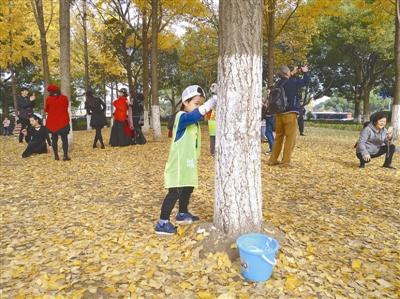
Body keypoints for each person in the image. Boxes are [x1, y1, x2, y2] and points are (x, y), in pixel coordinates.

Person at [155, 85, 217, 235]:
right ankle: (162, 222)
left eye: (200, 104)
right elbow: (194, 116)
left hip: (188, 163)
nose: (198, 107)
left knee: (188, 186)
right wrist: (211, 102)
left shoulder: (193, 121)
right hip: (178, 164)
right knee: (174, 192)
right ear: (185, 102)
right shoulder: (181, 117)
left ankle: (182, 213)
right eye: (196, 104)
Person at [267, 65, 310, 166]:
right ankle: (286, 161)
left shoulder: (278, 83)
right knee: (290, 138)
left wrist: (293, 72)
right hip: (290, 113)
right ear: (287, 73)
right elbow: (305, 82)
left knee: (278, 138)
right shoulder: (293, 82)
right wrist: (305, 72)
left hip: (278, 114)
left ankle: (272, 159)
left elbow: (287, 79)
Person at [45, 84, 71, 161]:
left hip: (52, 122)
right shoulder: (64, 98)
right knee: (64, 139)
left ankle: (56, 156)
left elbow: (46, 109)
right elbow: (66, 106)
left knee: (54, 139)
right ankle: (65, 156)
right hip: (63, 121)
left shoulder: (48, 99)